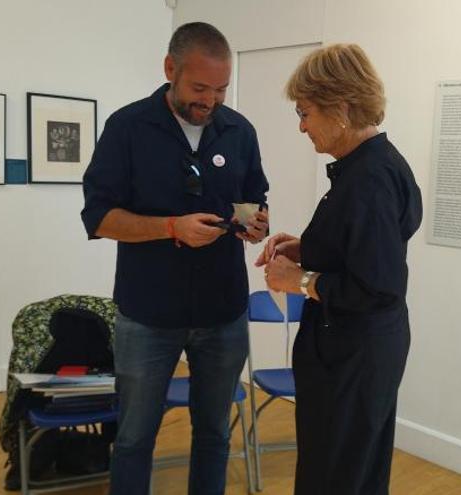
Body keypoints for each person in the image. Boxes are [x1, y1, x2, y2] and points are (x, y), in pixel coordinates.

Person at [80, 22, 269, 495]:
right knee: (135, 438)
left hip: (223, 312)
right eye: (199, 87)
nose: (210, 100)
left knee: (213, 435)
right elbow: (99, 217)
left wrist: (254, 223)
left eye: (221, 89)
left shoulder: (239, 131)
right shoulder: (127, 127)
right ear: (170, 69)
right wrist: (169, 227)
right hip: (148, 314)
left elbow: (253, 199)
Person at [257, 43, 422, 495]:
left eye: (306, 112)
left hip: (352, 356)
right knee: (350, 468)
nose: (302, 126)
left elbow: (379, 286)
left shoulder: (368, 180)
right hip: (359, 352)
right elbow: (363, 249)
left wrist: (301, 281)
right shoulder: (371, 167)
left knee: (337, 476)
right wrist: (307, 247)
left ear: (341, 107)